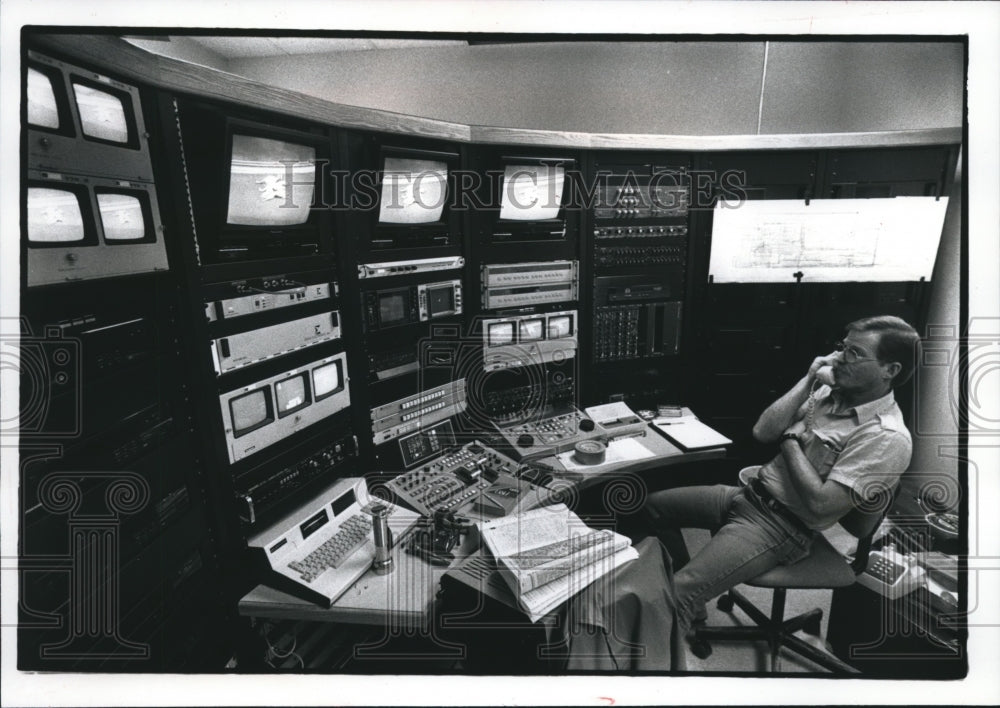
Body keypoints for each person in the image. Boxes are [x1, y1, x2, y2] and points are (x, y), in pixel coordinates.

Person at [641, 315, 919, 641]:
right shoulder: (831, 392)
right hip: (749, 495)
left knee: (672, 595)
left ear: (890, 370)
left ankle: (682, 608)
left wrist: (790, 443)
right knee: (651, 508)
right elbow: (763, 431)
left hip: (781, 526)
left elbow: (819, 506)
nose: (840, 358)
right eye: (842, 348)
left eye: (855, 354)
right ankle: (696, 599)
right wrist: (810, 378)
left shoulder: (885, 437)